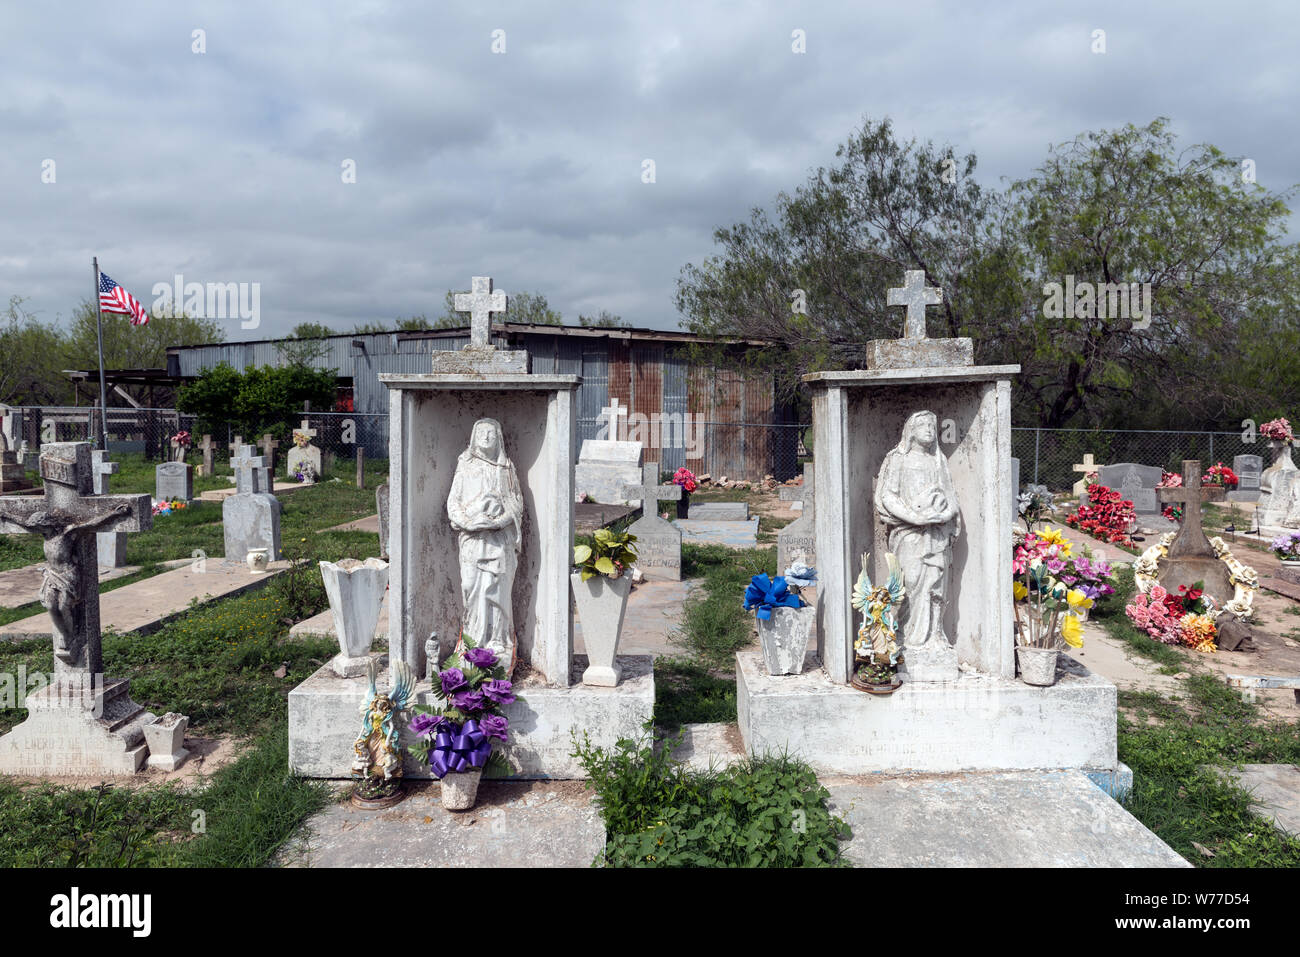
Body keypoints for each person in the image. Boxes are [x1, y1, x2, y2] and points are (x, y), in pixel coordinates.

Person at [874, 411, 961, 648]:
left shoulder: (938, 460)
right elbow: (887, 496)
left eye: (932, 425)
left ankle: (934, 634)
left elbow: (951, 495)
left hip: (936, 533)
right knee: (909, 583)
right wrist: (915, 518)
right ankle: (904, 635)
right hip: (909, 534)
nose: (929, 429)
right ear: (911, 430)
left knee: (936, 585)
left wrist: (946, 514)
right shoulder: (898, 458)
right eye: (922, 425)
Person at [446, 418, 524, 673]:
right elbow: (453, 502)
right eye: (482, 432)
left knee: (498, 589)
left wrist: (502, 520)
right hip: (472, 539)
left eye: (491, 432)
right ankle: (473, 639)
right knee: (471, 587)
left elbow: (516, 502)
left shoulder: (506, 468)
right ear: (474, 436)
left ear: (499, 438)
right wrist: (468, 521)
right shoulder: (465, 465)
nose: (487, 437)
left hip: (499, 541)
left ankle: (498, 641)